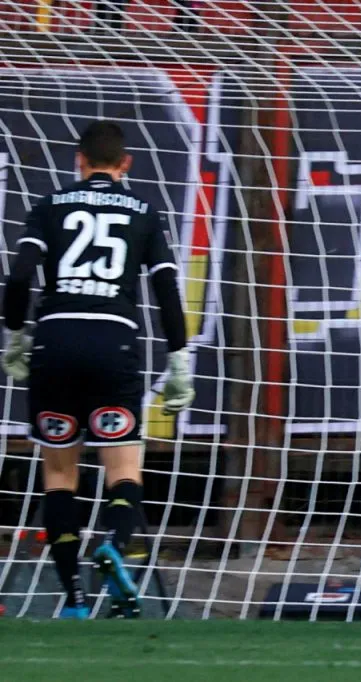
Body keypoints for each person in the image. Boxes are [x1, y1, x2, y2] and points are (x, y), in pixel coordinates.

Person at [1, 120, 195, 619]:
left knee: (59, 473)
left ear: (79, 160)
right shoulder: (144, 211)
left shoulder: (49, 205)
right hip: (114, 343)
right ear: (125, 163)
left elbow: (19, 276)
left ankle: (73, 599)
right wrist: (179, 358)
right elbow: (166, 289)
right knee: (124, 467)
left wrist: (16, 335)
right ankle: (114, 542)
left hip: (56, 343)